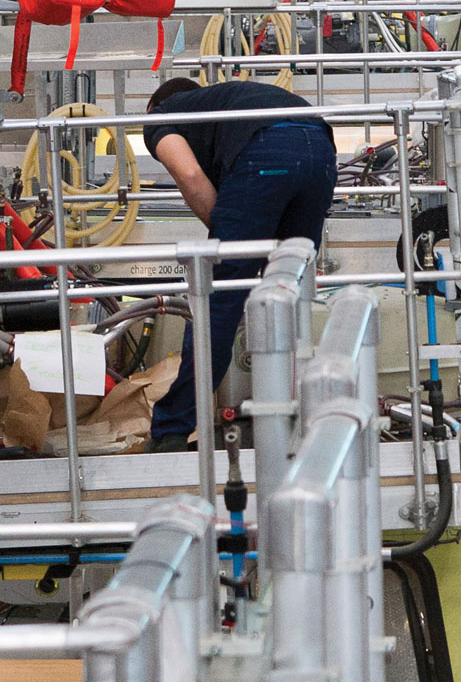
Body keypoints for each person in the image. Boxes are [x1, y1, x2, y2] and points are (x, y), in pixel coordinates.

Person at [141, 77, 336, 449]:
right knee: (289, 291)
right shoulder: (225, 103)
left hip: (265, 152)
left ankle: (172, 431)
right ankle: (302, 418)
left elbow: (190, 175)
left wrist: (233, 238)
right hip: (321, 148)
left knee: (218, 301)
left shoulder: (161, 115)